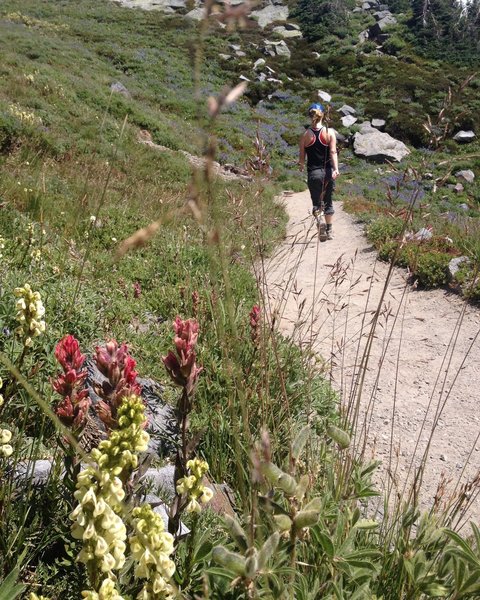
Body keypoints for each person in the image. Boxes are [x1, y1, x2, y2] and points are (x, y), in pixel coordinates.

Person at [298, 103, 340, 241]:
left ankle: (319, 222)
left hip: (313, 173)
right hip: (327, 173)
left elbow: (302, 156)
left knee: (316, 202)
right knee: (328, 201)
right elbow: (333, 152)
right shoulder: (329, 133)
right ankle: (329, 230)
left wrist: (301, 166)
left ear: (310, 116)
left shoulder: (305, 135)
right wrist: (336, 169)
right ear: (323, 115)